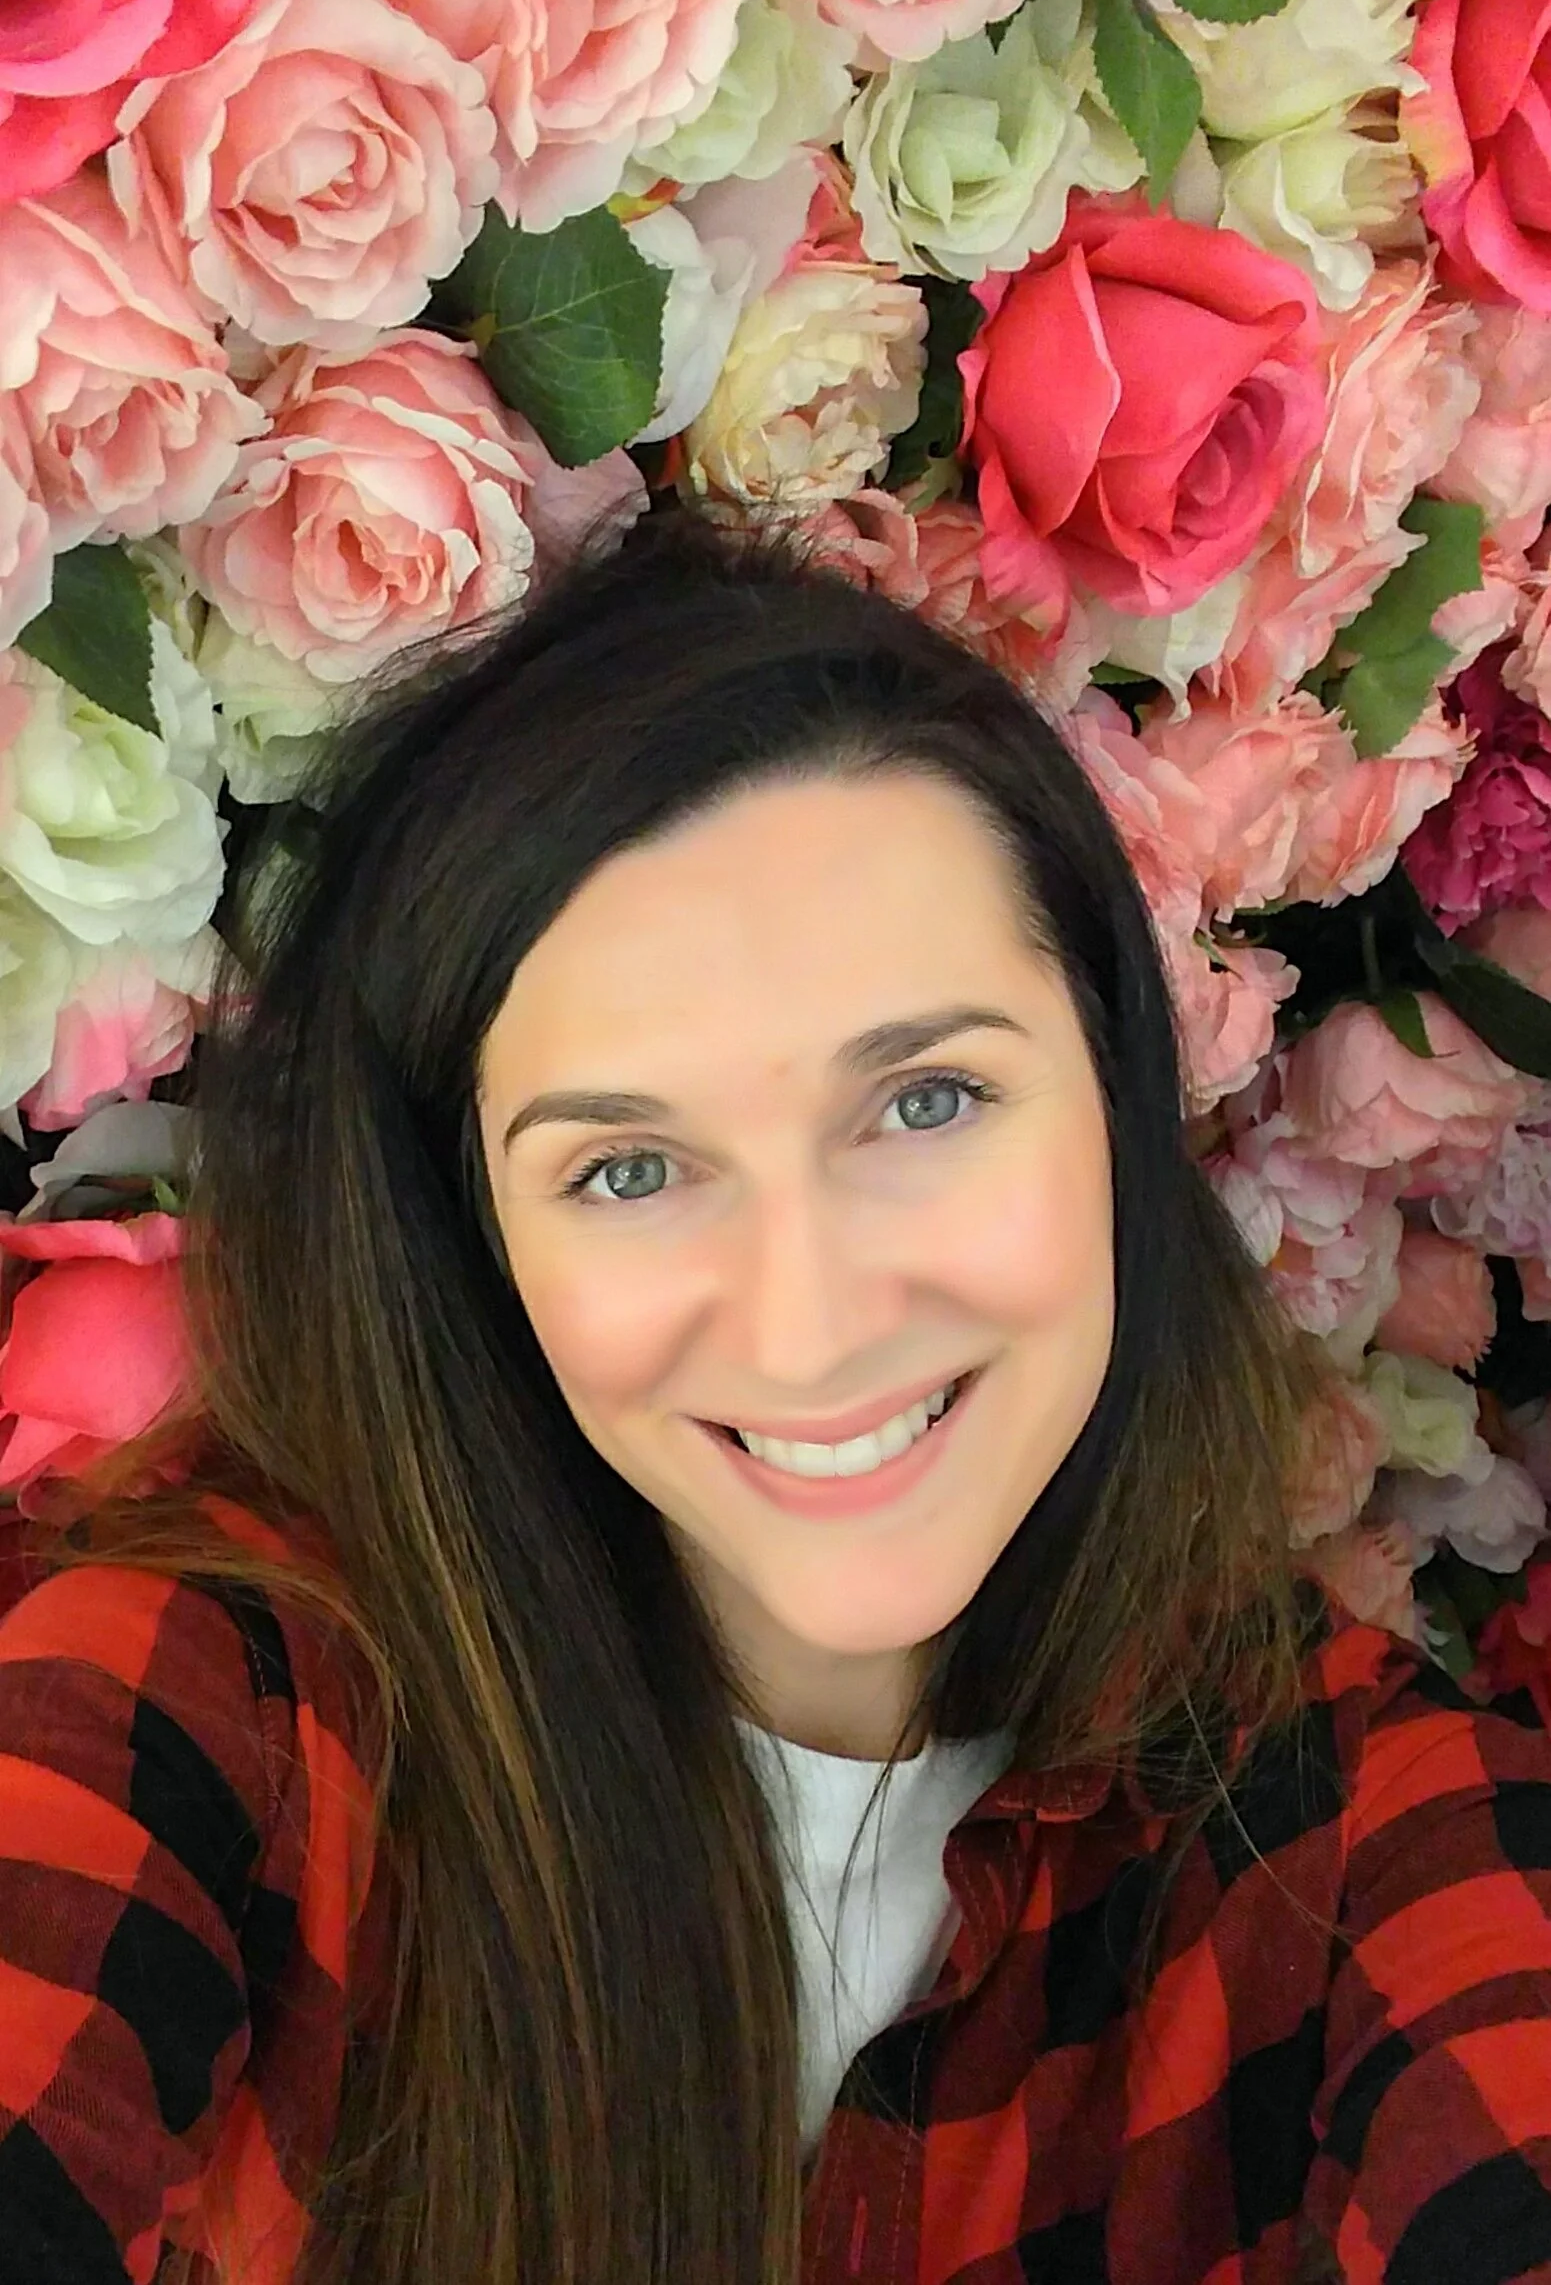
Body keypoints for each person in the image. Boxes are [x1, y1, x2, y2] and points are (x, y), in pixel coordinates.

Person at [1, 506, 1549, 2285]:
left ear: (1118, 1115)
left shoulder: (1370, 1851)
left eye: (925, 1102)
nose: (810, 1324)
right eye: (630, 1170)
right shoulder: (208, 1707)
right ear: (480, 1236)